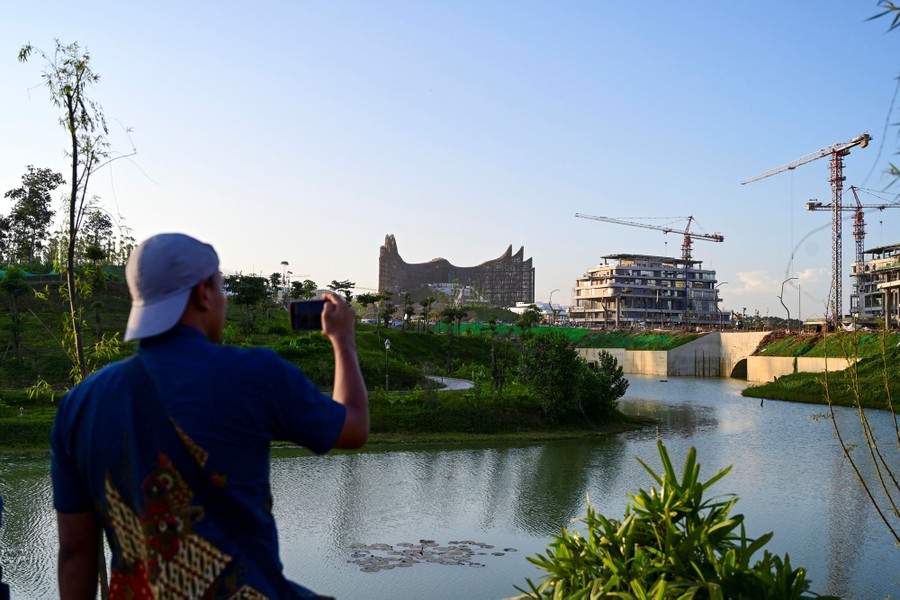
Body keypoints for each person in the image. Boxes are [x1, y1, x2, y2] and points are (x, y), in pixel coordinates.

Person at [50, 233, 368, 599]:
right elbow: (354, 426)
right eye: (221, 286)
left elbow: (75, 553)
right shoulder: (256, 374)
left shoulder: (78, 405)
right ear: (203, 293)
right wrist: (343, 341)